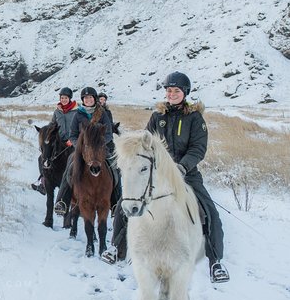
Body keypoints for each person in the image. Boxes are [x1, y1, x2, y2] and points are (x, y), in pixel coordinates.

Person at [101, 71, 230, 284]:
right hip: (157, 173)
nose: (171, 94)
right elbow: (146, 143)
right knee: (129, 201)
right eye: (169, 90)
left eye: (176, 91)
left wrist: (182, 166)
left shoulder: (195, 118)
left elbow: (198, 148)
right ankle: (116, 248)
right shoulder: (157, 117)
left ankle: (216, 262)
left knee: (210, 212)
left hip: (186, 174)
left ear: (185, 93)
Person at [54, 87, 119, 215]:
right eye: (85, 98)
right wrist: (79, 145)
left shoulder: (103, 113)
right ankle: (62, 201)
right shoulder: (78, 114)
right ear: (83, 100)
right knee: (69, 168)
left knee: (115, 168)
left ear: (94, 99)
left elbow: (109, 134)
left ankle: (116, 203)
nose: (88, 100)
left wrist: (99, 144)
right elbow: (73, 135)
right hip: (82, 151)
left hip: (100, 150)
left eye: (90, 97)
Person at [31, 87, 78, 194]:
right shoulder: (57, 112)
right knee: (41, 158)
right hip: (59, 142)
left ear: (69, 98)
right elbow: (52, 125)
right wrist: (45, 131)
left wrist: (72, 139)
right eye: (62, 98)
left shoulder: (76, 111)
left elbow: (79, 127)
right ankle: (43, 183)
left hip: (72, 141)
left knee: (77, 159)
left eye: (66, 98)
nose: (64, 100)